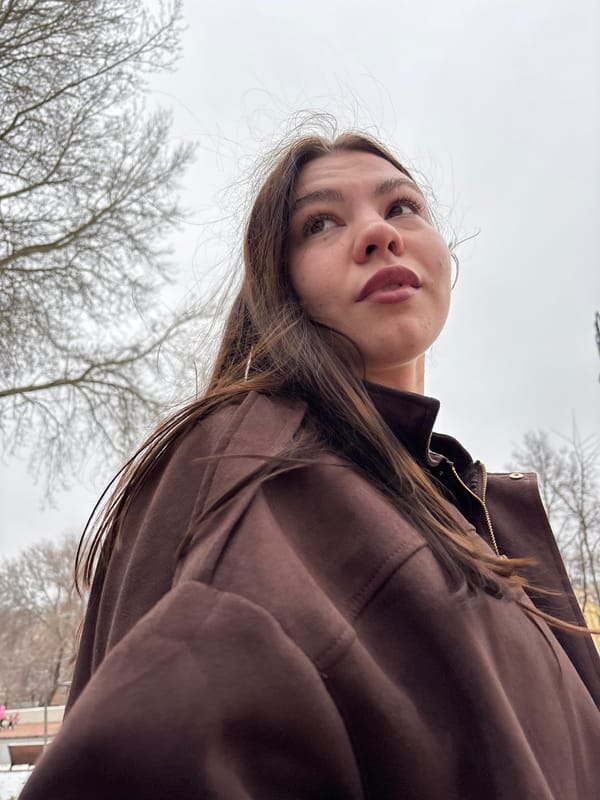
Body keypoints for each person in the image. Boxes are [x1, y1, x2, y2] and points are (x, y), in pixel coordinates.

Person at [21, 128, 599, 799]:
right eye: (321, 223)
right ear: (281, 284)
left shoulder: (463, 508)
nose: (379, 233)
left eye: (402, 207)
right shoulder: (258, 459)